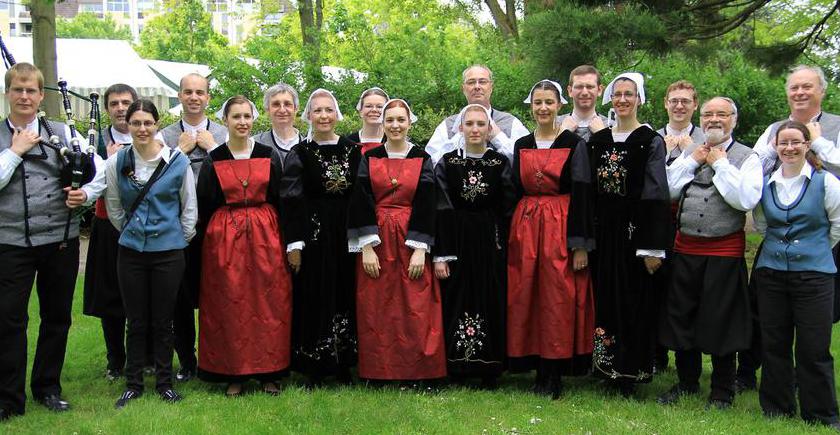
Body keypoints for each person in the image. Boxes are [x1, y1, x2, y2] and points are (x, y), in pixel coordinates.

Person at [0, 62, 105, 420]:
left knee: (56, 317)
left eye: (31, 91)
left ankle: (48, 387)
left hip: (60, 240)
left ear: (41, 95)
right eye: (18, 90)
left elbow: (97, 174)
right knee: (9, 321)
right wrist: (15, 151)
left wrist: (85, 196)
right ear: (8, 94)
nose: (25, 96)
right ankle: (8, 398)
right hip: (10, 242)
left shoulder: (63, 132)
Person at [737, 64, 840, 392]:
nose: (800, 93)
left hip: (824, 235)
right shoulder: (773, 130)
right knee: (766, 316)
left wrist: (820, 143)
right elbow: (756, 171)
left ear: (821, 91)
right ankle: (752, 375)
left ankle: (808, 383)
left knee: (817, 321)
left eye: (807, 86)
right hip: (777, 231)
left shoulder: (836, 126)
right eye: (794, 87)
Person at [658, 97, 762, 410]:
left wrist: (719, 163)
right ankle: (687, 382)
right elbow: (667, 189)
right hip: (686, 248)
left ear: (734, 119)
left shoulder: (747, 156)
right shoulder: (691, 150)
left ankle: (721, 391)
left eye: (722, 114)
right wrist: (692, 160)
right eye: (708, 114)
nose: (714, 119)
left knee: (722, 322)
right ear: (700, 119)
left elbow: (743, 199)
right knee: (683, 318)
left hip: (724, 252)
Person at [196, 96, 292, 396]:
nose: (242, 122)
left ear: (253, 119)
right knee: (230, 303)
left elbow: (280, 197)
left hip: (266, 237)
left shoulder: (268, 155)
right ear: (225, 120)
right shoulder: (216, 158)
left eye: (246, 116)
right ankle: (233, 371)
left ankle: (269, 371)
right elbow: (206, 202)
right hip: (226, 239)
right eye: (235, 116)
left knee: (268, 302)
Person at [506, 80, 595, 399]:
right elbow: (514, 188)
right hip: (527, 229)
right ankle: (535, 365)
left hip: (560, 226)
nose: (543, 108)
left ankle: (554, 371)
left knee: (557, 297)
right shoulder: (522, 143)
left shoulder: (573, 143)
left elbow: (583, 192)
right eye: (537, 102)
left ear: (559, 105)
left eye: (549, 102)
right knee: (527, 294)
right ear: (531, 106)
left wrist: (580, 243)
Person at [105, 99, 196, 408]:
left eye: (147, 123)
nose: (142, 129)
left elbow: (189, 209)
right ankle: (133, 383)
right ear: (128, 127)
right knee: (136, 319)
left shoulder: (177, 161)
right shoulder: (117, 162)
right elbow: (115, 207)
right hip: (131, 252)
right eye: (136, 123)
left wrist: (173, 238)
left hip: (168, 252)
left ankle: (164, 382)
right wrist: (132, 235)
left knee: (163, 320)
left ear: (157, 125)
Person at [348, 98, 446, 383]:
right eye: (389, 120)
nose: (395, 125)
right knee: (376, 305)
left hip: (410, 236)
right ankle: (378, 371)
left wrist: (419, 249)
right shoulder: (370, 157)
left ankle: (419, 371)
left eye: (400, 120)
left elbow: (428, 203)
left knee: (416, 305)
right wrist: (366, 246)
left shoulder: (422, 157)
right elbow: (360, 200)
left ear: (409, 122)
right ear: (383, 123)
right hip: (377, 237)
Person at [752, 121, 840, 430]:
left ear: (807, 145)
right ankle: (777, 407)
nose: (789, 148)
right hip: (772, 274)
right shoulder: (766, 183)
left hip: (815, 276)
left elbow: (837, 226)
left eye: (795, 142)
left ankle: (821, 413)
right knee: (774, 343)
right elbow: (762, 225)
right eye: (783, 143)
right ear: (775, 147)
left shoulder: (826, 182)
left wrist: (812, 250)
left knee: (813, 347)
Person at [588, 72, 670, 396]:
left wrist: (652, 247)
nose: (622, 99)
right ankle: (607, 369)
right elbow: (590, 192)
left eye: (629, 94)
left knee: (634, 301)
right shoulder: (597, 141)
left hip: (636, 233)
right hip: (604, 232)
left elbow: (656, 193)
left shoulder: (649, 141)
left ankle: (630, 374)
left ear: (639, 99)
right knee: (606, 298)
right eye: (618, 94)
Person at [280, 89, 361, 387]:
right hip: (313, 235)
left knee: (343, 292)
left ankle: (343, 364)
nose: (324, 116)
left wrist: (362, 237)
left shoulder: (353, 151)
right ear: (309, 116)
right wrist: (295, 243)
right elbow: (291, 199)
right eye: (318, 111)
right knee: (314, 293)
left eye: (329, 110)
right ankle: (313, 364)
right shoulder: (300, 153)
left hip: (344, 234)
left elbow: (360, 196)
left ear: (337, 115)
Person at [433, 104, 516, 389]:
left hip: (489, 242)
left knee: (489, 297)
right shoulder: (447, 163)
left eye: (481, 124)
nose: (476, 129)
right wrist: (441, 253)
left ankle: (489, 367)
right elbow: (441, 208)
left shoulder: (500, 163)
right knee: (457, 297)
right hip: (457, 241)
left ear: (490, 128)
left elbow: (508, 208)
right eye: (470, 124)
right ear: (460, 128)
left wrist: (502, 244)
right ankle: (457, 364)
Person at [83, 83, 158, 382]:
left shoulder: (151, 135)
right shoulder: (97, 143)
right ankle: (116, 359)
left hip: (146, 227)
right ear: (107, 109)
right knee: (110, 297)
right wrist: (104, 161)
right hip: (108, 228)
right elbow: (87, 182)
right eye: (114, 103)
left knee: (148, 294)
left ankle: (149, 357)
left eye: (125, 102)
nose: (119, 108)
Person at [160, 73, 227, 383]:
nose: (194, 97)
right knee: (181, 297)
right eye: (188, 91)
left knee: (219, 294)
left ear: (208, 97)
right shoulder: (166, 136)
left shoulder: (225, 134)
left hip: (220, 226)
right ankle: (187, 360)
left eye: (200, 92)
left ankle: (221, 358)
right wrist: (180, 152)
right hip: (179, 227)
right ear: (179, 96)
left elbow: (237, 178)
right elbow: (156, 181)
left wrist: (214, 149)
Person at [652, 80, 706, 373]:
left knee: (684, 292)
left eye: (686, 101)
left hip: (691, 223)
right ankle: (656, 353)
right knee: (656, 287)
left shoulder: (702, 139)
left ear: (694, 105)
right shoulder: (653, 137)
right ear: (665, 103)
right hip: (658, 222)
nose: (679, 106)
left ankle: (688, 357)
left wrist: (689, 151)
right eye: (674, 100)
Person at [425, 65, 529, 164]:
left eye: (482, 82)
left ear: (491, 87)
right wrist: (460, 137)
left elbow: (525, 163)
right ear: (463, 88)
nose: (477, 86)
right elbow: (430, 164)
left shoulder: (511, 123)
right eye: (471, 82)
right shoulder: (448, 126)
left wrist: (497, 137)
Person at [252, 83, 303, 166]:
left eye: (287, 104)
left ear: (296, 108)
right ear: (267, 109)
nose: (282, 110)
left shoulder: (309, 148)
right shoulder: (254, 145)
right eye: (276, 104)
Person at [556, 65, 608, 142]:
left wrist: (602, 135)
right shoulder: (554, 125)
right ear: (570, 91)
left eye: (590, 87)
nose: (584, 92)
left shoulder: (611, 126)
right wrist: (562, 134)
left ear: (599, 90)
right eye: (579, 87)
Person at [346, 87, 388, 154]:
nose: (374, 110)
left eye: (379, 107)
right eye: (368, 106)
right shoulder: (349, 142)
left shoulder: (393, 141)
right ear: (360, 111)